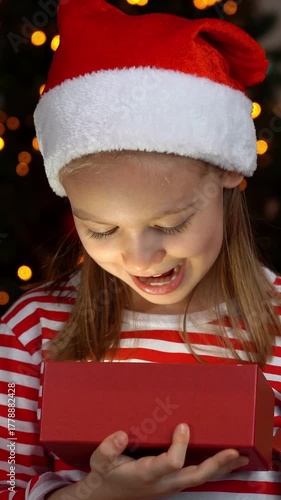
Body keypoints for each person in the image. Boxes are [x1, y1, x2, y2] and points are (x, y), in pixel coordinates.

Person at [1, 0, 281, 498]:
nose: (139, 259)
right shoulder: (30, 334)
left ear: (229, 170)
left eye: (170, 223)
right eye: (102, 231)